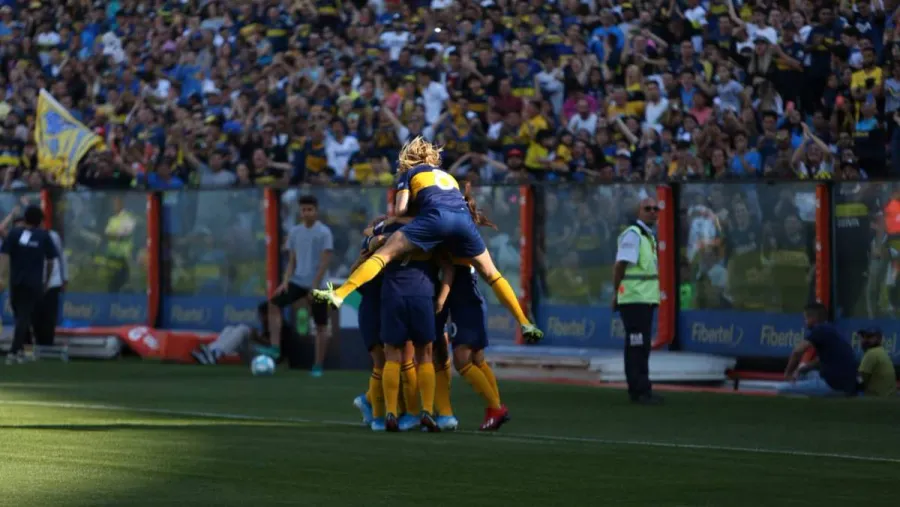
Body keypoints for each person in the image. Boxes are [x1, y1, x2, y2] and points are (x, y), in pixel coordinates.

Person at [312, 137, 543, 343]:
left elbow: (401, 210)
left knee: (384, 254)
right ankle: (524, 321)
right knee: (492, 274)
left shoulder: (410, 173)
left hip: (435, 220)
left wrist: (392, 219)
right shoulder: (449, 176)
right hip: (464, 221)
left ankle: (339, 294)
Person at [371, 219, 452, 432]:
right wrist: (442, 298)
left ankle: (391, 412)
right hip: (422, 293)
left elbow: (369, 244)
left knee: (392, 355)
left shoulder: (387, 226)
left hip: (393, 293)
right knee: (425, 354)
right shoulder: (430, 227)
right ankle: (426, 410)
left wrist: (378, 237)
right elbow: (447, 265)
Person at [270, 195, 333, 377]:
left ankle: (318, 365)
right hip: (298, 279)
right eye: (303, 210)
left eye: (309, 210)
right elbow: (291, 261)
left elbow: (325, 262)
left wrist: (314, 287)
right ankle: (275, 347)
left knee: (321, 324)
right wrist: (285, 282)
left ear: (316, 211)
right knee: (274, 304)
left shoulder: (324, 232)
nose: (306, 213)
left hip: (319, 283)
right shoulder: (295, 232)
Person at [613, 197, 663, 405]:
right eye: (647, 208)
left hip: (643, 299)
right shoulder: (634, 235)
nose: (652, 212)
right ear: (638, 212)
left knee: (641, 346)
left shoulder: (646, 236)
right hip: (634, 299)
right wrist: (617, 292)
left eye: (655, 208)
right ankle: (638, 389)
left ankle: (642, 387)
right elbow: (620, 265)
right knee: (637, 345)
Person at [0, 206, 58, 364]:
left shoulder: (14, 234)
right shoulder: (43, 236)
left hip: (16, 282)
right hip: (33, 283)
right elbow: (51, 260)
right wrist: (46, 280)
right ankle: (13, 352)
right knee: (23, 317)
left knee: (20, 315)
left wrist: (1, 277)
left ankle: (17, 351)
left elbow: (4, 255)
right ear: (40, 221)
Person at [779, 303, 858, 397]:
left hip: (833, 385)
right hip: (847, 384)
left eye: (806, 318)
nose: (805, 322)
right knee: (804, 374)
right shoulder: (831, 329)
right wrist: (804, 368)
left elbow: (797, 352)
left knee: (782, 388)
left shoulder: (819, 330)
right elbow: (821, 360)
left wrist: (788, 373)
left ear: (813, 318)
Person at [191, 303, 286, 366]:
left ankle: (215, 354)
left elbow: (276, 351)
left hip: (267, 361)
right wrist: (257, 337)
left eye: (261, 315)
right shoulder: (268, 326)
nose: (260, 318)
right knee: (229, 329)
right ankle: (210, 352)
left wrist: (257, 338)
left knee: (243, 329)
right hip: (259, 355)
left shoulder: (280, 327)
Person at [32, 225, 67, 351]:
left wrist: (64, 277)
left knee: (49, 315)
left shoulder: (53, 236)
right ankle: (38, 342)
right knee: (35, 314)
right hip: (35, 282)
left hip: (52, 282)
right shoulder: (27, 236)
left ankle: (47, 344)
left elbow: (60, 256)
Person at [856, 327, 897, 397]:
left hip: (876, 400)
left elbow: (860, 380)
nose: (865, 339)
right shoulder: (882, 352)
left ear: (878, 339)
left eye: (869, 337)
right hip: (889, 400)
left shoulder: (871, 354)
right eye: (863, 337)